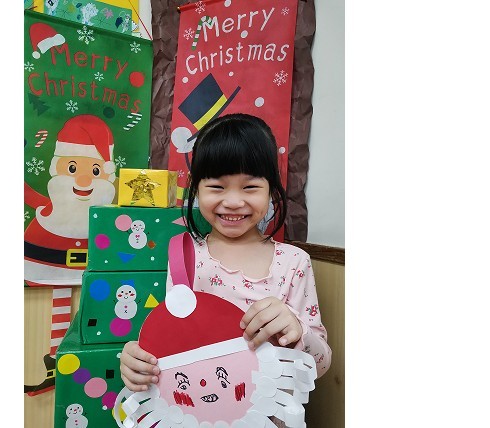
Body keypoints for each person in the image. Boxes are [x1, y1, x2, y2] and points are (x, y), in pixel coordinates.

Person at [119, 113, 331, 407]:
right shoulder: (186, 257)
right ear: (196, 188)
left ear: (271, 189)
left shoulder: (293, 262)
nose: (233, 202)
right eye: (217, 187)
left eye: (250, 187)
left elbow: (320, 366)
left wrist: (296, 331)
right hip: (196, 414)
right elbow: (172, 343)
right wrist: (138, 361)